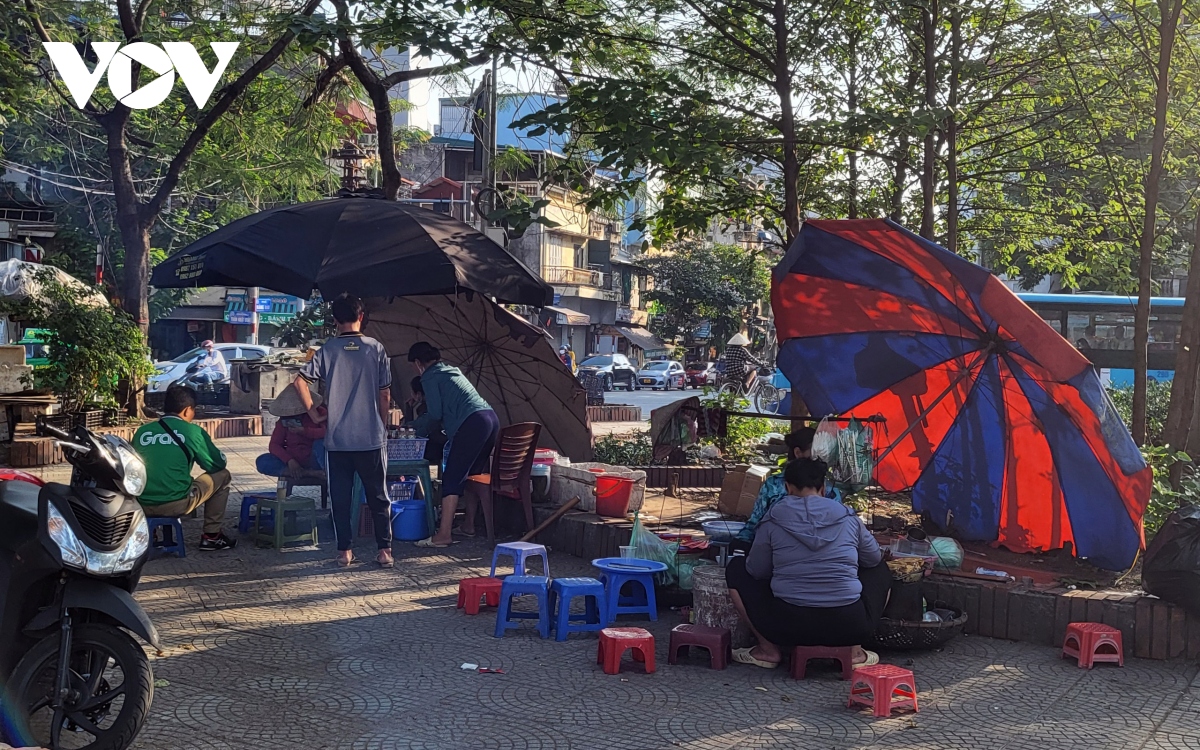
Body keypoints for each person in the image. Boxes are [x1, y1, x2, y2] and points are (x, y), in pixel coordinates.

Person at [725, 458, 890, 669]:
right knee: (880, 569)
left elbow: (757, 571)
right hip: (850, 625)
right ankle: (855, 652)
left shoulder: (773, 518)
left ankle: (768, 650)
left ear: (787, 487)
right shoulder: (848, 517)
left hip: (787, 626)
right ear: (823, 488)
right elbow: (873, 558)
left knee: (737, 568)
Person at [294, 295, 394, 568]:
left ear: (335, 321)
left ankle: (344, 553)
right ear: (361, 316)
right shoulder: (376, 349)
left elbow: (299, 382)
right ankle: (384, 551)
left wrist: (314, 413)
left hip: (337, 440)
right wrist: (381, 424)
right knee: (378, 495)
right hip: (370, 439)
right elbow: (384, 394)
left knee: (340, 496)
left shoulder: (327, 350)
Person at [408, 341, 499, 547]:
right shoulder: (451, 370)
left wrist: (414, 427)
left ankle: (444, 534)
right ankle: (468, 525)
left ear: (418, 363)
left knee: (452, 476)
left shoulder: (429, 375)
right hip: (490, 419)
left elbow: (435, 414)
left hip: (472, 424)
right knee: (472, 473)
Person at [134, 385, 237, 551]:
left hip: (141, 502)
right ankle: (212, 536)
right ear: (187, 410)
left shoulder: (142, 432)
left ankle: (149, 534)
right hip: (175, 502)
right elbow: (216, 464)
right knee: (223, 475)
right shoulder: (192, 432)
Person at [733, 427, 843, 547]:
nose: (820, 458)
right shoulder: (774, 485)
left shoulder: (830, 489)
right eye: (816, 452)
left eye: (824, 453)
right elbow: (755, 524)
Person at [255, 383, 327, 479]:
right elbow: (274, 444)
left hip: (314, 458)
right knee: (262, 461)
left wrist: (304, 431)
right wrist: (289, 460)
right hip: (293, 459)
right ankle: (308, 473)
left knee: (320, 444)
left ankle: (324, 473)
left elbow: (327, 433)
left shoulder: (320, 413)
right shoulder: (284, 420)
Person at [403, 376, 447, 465]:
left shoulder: (431, 408)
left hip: (439, 446)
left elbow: (417, 427)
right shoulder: (438, 402)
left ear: (418, 394)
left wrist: (408, 409)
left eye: (412, 392)